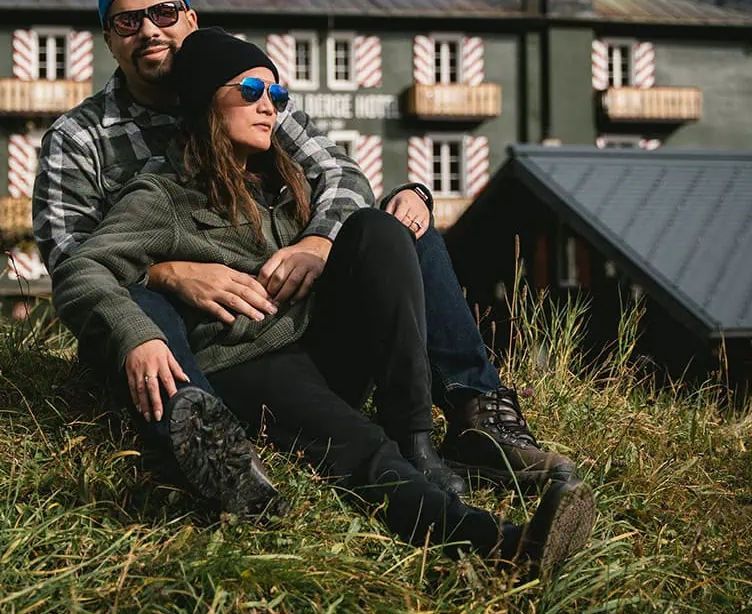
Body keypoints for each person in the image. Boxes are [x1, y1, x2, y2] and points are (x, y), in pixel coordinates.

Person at [52, 28, 596, 577]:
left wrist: (408, 203)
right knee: (362, 449)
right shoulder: (161, 196)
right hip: (248, 365)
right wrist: (138, 331)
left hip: (318, 343)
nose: (269, 107)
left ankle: (420, 441)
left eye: (277, 95)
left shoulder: (289, 181)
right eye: (250, 91)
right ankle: (502, 545)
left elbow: (354, 192)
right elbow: (82, 266)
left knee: (379, 228)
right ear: (203, 100)